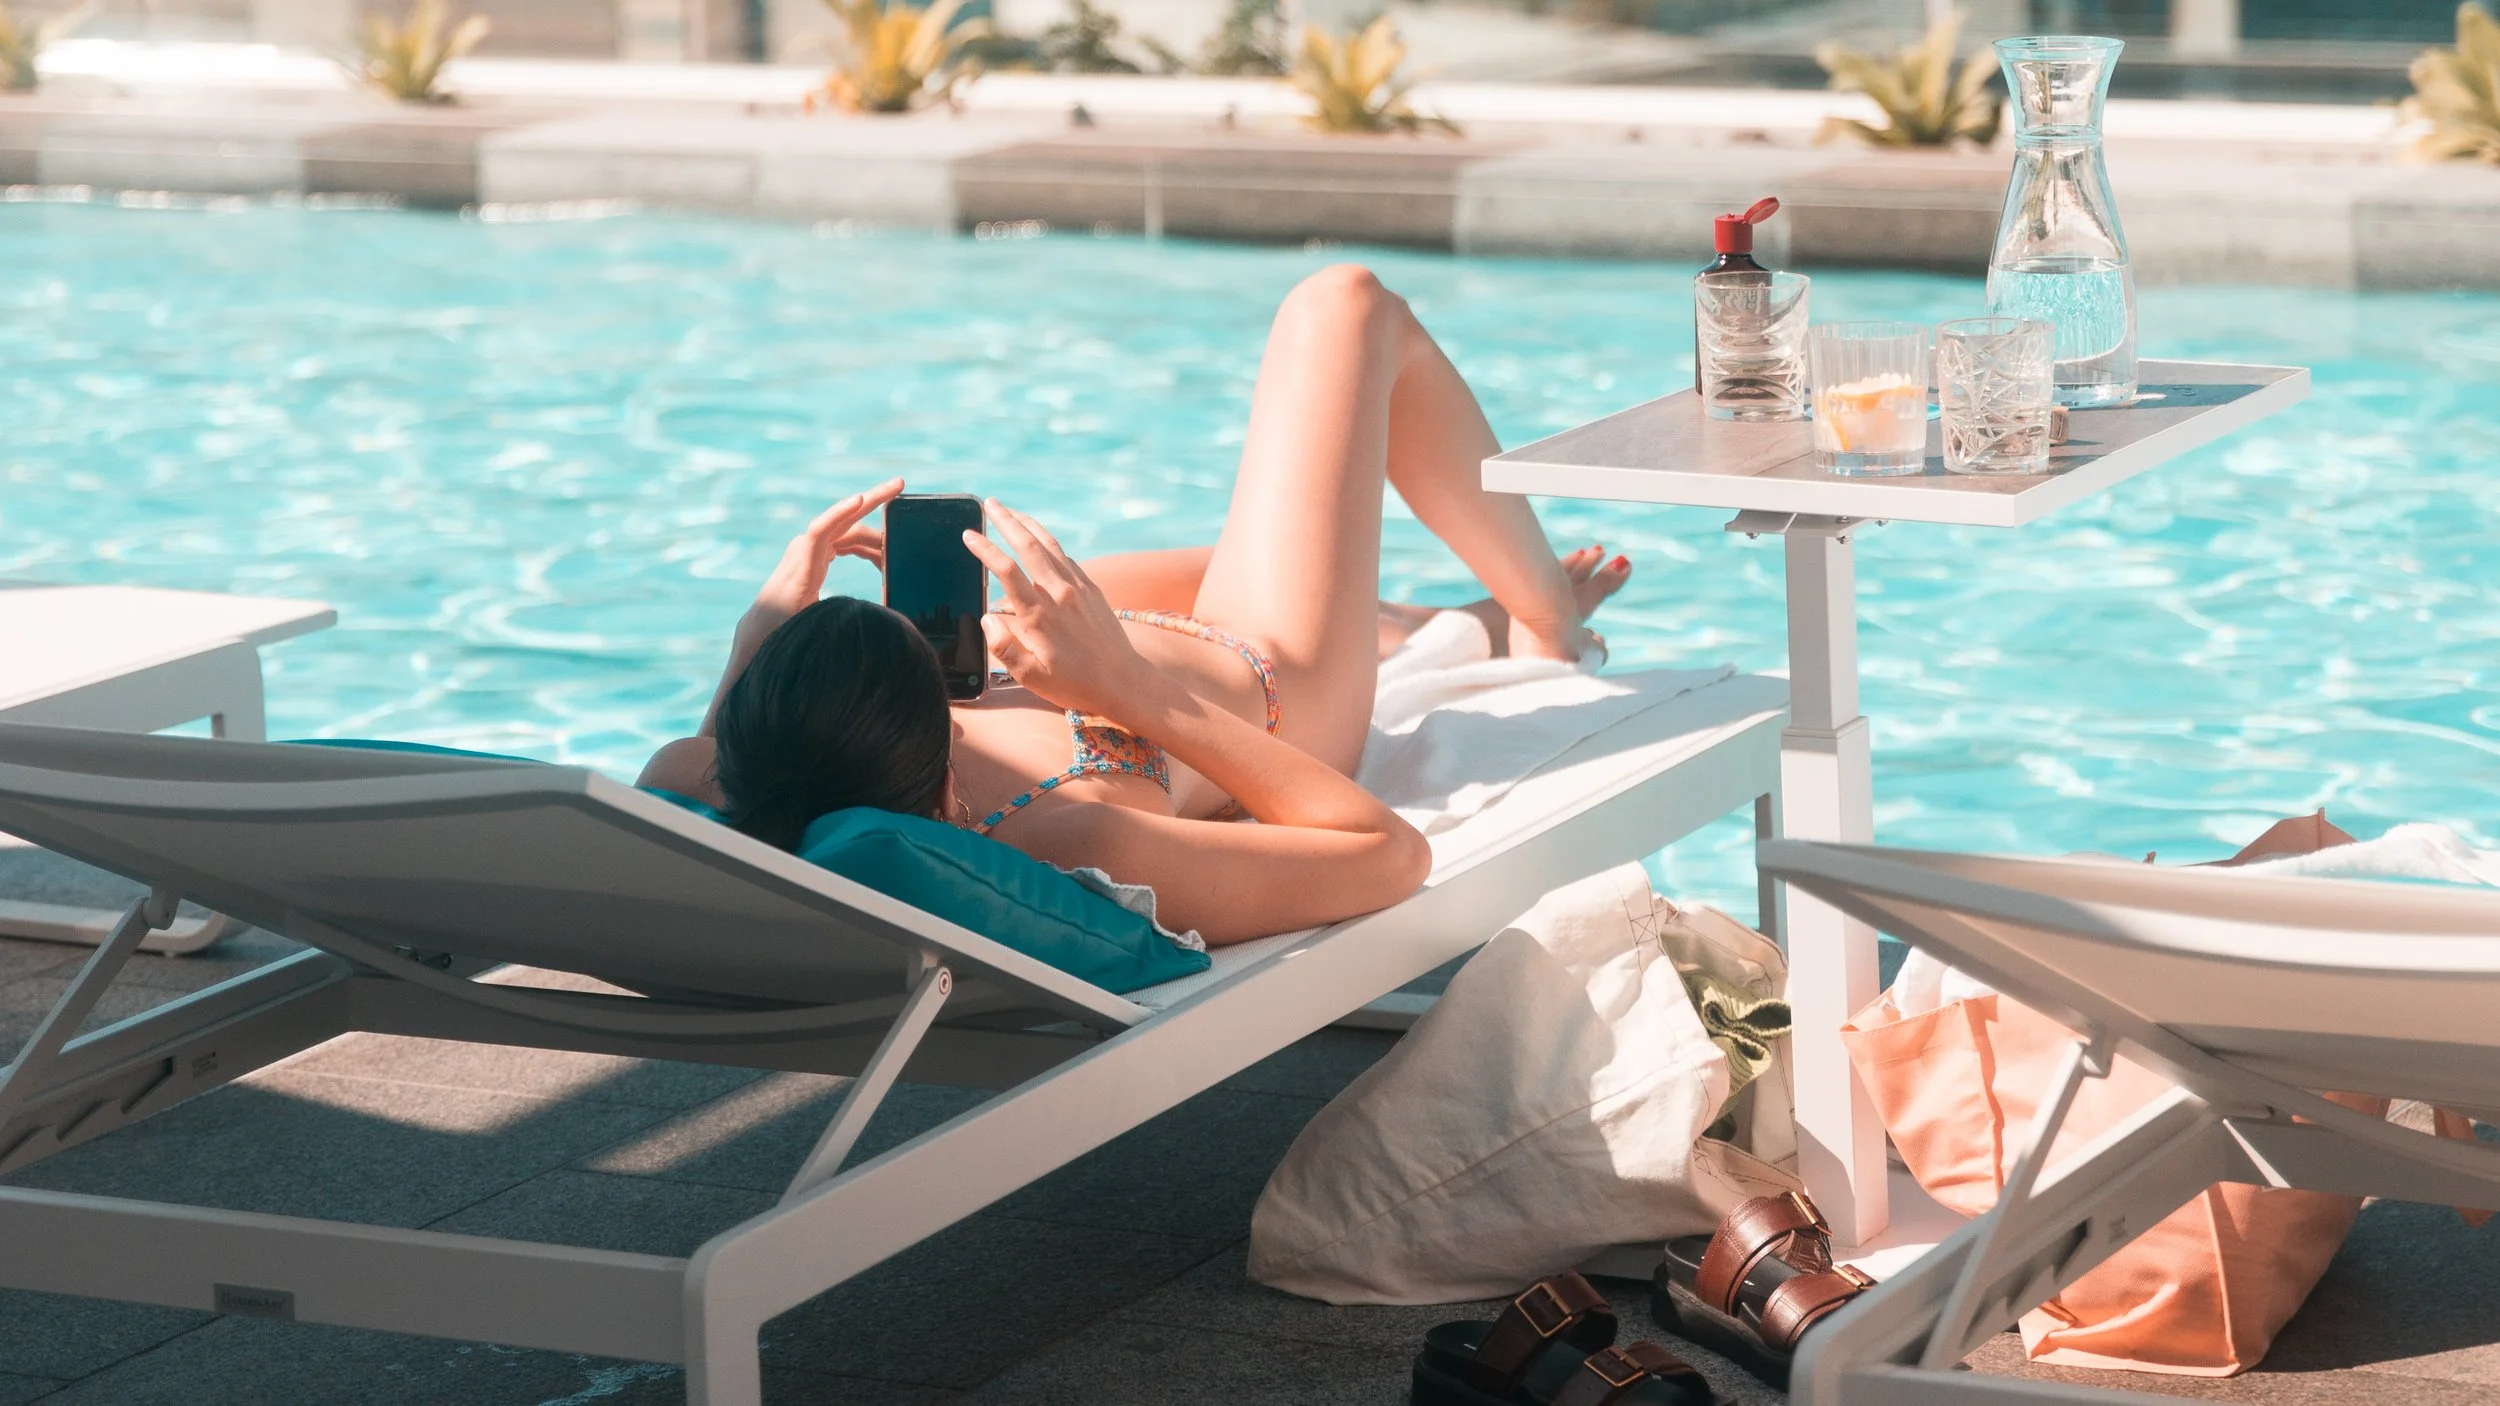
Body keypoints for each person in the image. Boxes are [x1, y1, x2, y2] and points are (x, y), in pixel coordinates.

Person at [639, 265, 1630, 945]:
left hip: (1077, 648)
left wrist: (757, 638)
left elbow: (727, 755)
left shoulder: (696, 771)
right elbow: (1386, 855)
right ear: (947, 797)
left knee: (1246, 546)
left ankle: (1423, 618)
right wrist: (1121, 681)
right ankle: (1535, 611)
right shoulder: (1079, 840)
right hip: (1265, 671)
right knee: (1346, 306)